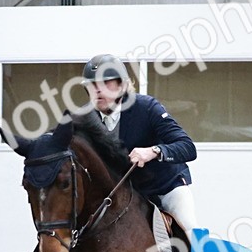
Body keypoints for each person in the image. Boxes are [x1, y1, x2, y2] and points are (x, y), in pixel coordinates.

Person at [81, 53, 199, 235]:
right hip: (125, 196)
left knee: (190, 230)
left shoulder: (147, 107)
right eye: (91, 85)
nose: (97, 90)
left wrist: (154, 151)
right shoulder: (86, 120)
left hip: (165, 188)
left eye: (105, 83)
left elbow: (187, 147)